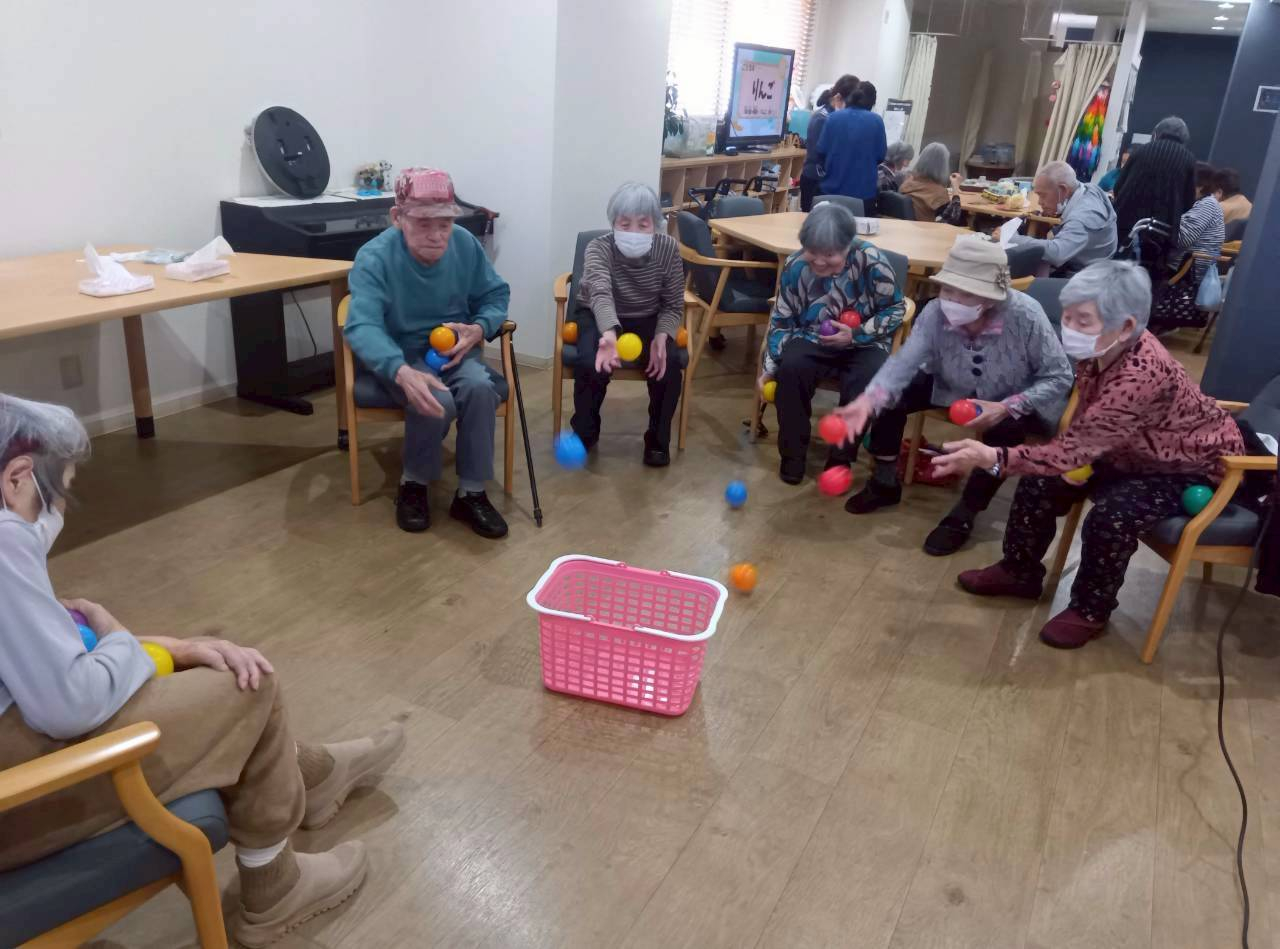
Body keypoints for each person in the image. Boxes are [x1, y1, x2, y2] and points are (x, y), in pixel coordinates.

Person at [0, 394, 406, 946]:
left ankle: (310, 774)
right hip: (16, 795)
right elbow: (70, 702)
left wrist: (173, 647)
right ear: (17, 478)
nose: (60, 512)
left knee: (202, 663)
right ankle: (275, 887)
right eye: (59, 493)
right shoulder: (5, 543)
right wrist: (121, 638)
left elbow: (39, 659)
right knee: (250, 684)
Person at [930, 261, 1245, 649]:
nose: (1069, 327)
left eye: (1083, 320)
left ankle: (1090, 610)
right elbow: (1086, 425)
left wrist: (993, 457)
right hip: (1127, 448)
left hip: (1187, 467)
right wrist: (1063, 460)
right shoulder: (1105, 349)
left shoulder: (1140, 374)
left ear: (1126, 326)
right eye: (1067, 316)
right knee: (1038, 484)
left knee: (1112, 516)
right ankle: (1019, 572)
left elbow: (1074, 447)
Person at [835, 236, 1073, 554]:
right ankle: (884, 481)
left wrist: (1007, 406)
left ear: (990, 297)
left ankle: (965, 514)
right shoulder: (935, 312)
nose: (951, 300)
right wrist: (868, 401)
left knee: (1006, 432)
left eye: (965, 293)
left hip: (1009, 397)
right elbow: (903, 363)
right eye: (947, 289)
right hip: (949, 384)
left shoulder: (1026, 315)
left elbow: (1060, 376)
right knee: (891, 396)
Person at [345, 167, 511, 539]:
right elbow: (362, 325)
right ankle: (414, 483)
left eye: (445, 224)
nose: (436, 235)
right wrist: (400, 370)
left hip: (455, 351)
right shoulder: (374, 257)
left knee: (480, 389)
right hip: (398, 356)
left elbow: (495, 295)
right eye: (423, 224)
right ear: (397, 217)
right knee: (435, 397)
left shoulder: (465, 245)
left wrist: (479, 327)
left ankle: (471, 492)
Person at [756, 202, 905, 484]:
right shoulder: (795, 265)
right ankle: (792, 456)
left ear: (847, 246)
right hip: (812, 336)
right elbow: (782, 319)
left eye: (830, 254)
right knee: (791, 368)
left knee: (867, 378)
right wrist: (770, 367)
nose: (820, 261)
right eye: (812, 252)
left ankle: (840, 459)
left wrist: (857, 333)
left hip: (864, 343)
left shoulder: (871, 260)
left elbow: (896, 309)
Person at [570, 183, 685, 467]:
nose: (633, 232)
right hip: (598, 314)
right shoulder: (599, 247)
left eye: (643, 224)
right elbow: (599, 293)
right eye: (625, 224)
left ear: (656, 225)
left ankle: (657, 441)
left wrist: (662, 336)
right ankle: (585, 432)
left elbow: (673, 303)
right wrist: (608, 334)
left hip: (648, 315)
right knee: (589, 362)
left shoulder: (668, 248)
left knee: (668, 364)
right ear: (613, 224)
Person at [1149, 161, 1226, 332]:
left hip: (1188, 268)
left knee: (1143, 264)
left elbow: (1183, 239)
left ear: (1199, 185)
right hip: (1185, 262)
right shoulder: (1203, 203)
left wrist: (1167, 214)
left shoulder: (1207, 205)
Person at [1009, 160, 1117, 275]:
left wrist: (1014, 238)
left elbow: (1057, 253)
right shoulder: (1087, 189)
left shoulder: (1084, 216)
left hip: (1086, 276)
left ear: (1063, 190)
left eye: (1043, 195)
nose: (1040, 202)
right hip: (1083, 264)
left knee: (1018, 270)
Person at [1112, 116, 1196, 246]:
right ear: (1185, 138)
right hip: (1163, 229)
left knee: (1118, 253)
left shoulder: (1141, 151)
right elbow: (1188, 201)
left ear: (1157, 133)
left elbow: (1118, 187)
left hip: (1126, 221)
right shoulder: (1189, 159)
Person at [815, 75, 887, 214]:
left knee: (829, 227)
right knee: (861, 228)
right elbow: (880, 156)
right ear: (872, 103)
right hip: (863, 194)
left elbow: (821, 152)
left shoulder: (833, 118)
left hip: (831, 192)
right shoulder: (877, 121)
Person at [799, 77, 855, 212]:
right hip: (815, 180)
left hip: (826, 180)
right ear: (838, 98)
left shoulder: (834, 118)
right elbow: (820, 153)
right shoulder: (822, 118)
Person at [900, 143, 957, 222]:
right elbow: (953, 218)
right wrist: (956, 188)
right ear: (943, 166)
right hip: (925, 229)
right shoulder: (939, 193)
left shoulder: (907, 183)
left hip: (905, 227)